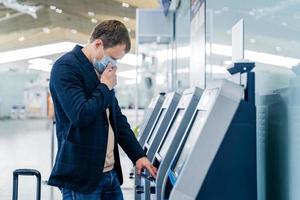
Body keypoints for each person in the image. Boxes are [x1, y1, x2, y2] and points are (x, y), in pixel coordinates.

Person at [48, 20, 157, 200]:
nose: (113, 65)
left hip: (109, 175)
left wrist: (138, 155)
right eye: (112, 58)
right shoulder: (66, 68)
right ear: (98, 44)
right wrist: (105, 87)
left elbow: (117, 121)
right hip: (82, 178)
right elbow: (80, 115)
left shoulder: (99, 73)